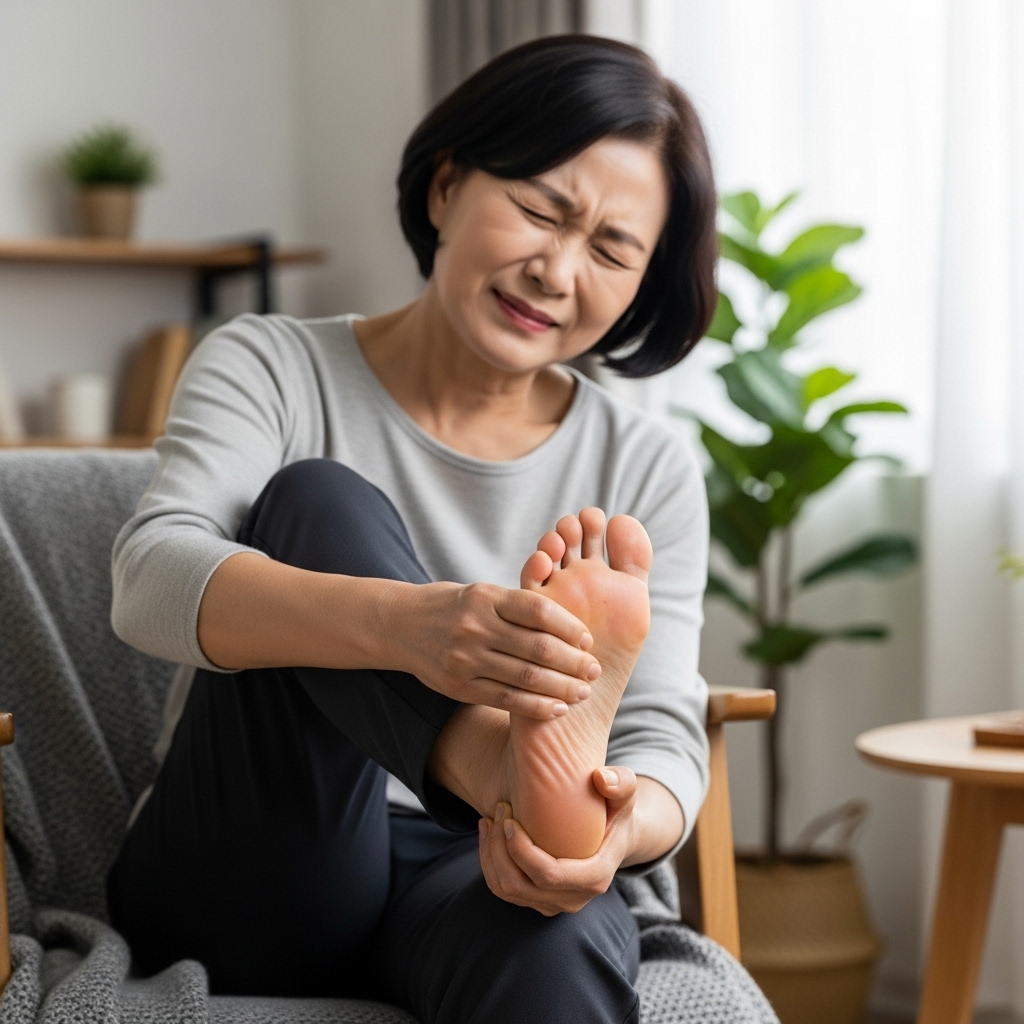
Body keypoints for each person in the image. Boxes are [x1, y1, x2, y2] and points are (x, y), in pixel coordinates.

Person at [106, 34, 717, 1024]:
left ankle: (539, 810)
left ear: (640, 285)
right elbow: (149, 580)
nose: (556, 270)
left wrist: (615, 830)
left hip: (478, 873)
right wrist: (410, 628)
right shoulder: (270, 364)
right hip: (261, 854)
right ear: (444, 187)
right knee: (317, 501)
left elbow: (660, 730)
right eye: (537, 210)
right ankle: (498, 773)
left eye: (610, 250)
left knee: (557, 933)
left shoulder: (642, 465)